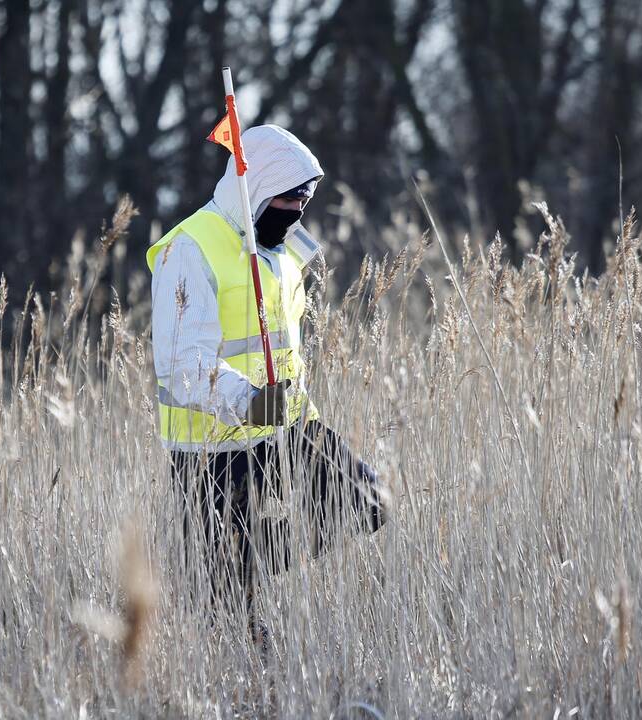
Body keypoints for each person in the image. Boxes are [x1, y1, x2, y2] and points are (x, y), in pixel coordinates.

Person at [146, 125, 388, 643]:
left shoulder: (283, 253)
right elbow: (182, 363)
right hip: (210, 451)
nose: (298, 209)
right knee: (229, 624)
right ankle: (221, 574)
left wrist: (301, 414)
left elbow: (284, 354)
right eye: (288, 197)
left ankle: (242, 559)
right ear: (254, 188)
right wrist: (249, 401)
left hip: (288, 429)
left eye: (306, 198)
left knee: (369, 502)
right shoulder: (188, 250)